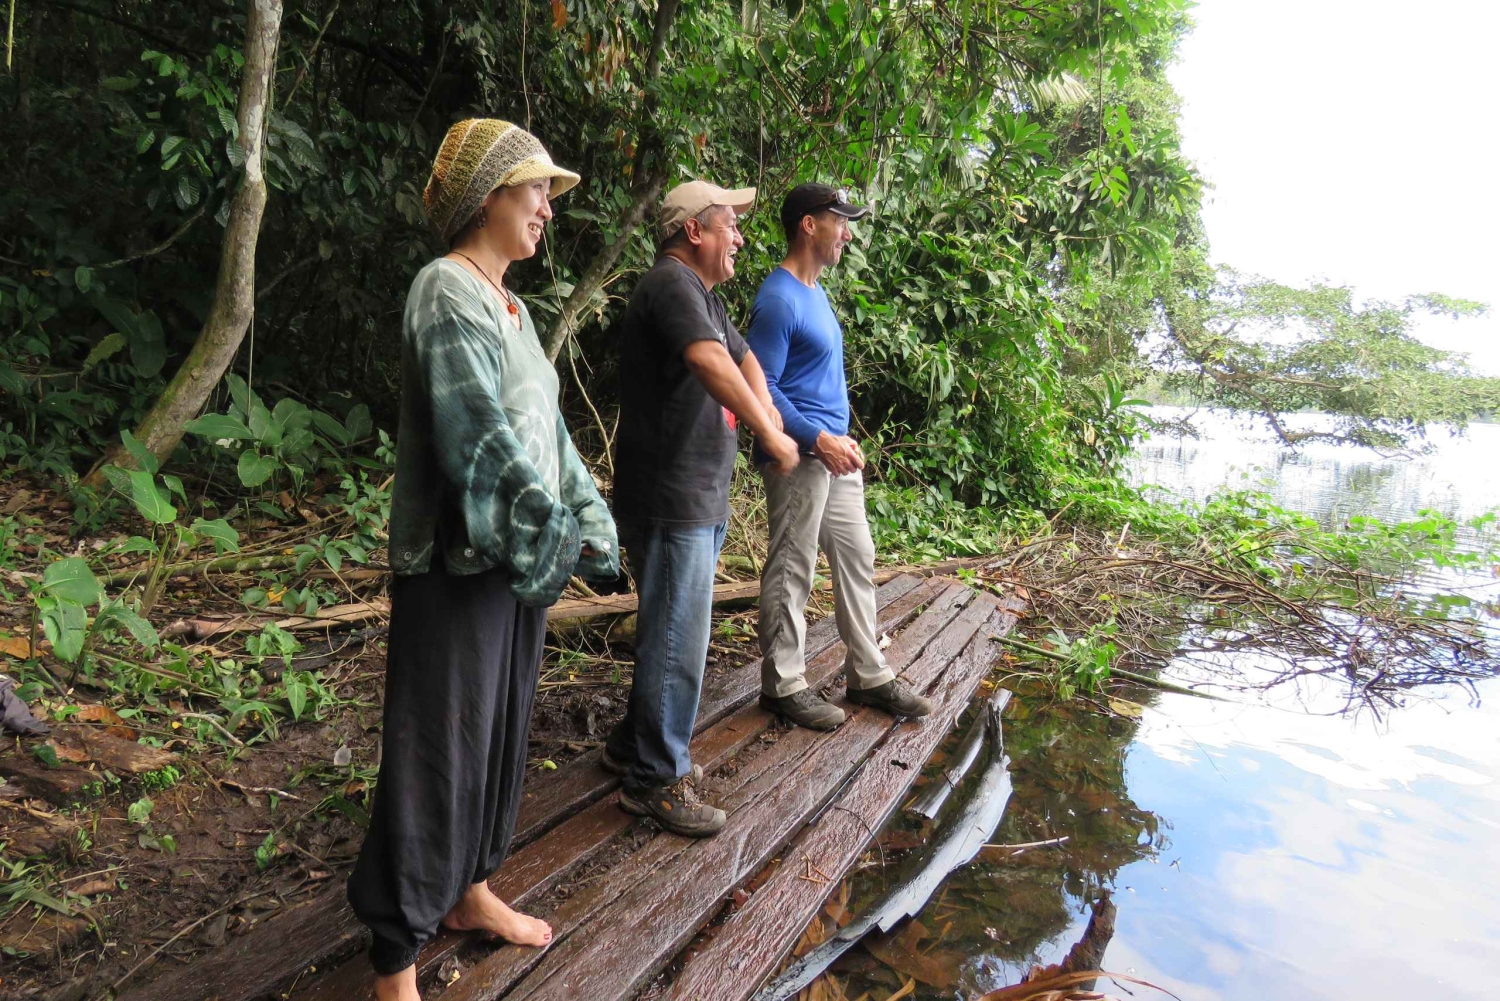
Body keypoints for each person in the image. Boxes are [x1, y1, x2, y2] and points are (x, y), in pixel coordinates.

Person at [347, 119, 620, 1001]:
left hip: (514, 560)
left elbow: (549, 435)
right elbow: (478, 436)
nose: (547, 207)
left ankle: (468, 889)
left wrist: (589, 515)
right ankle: (395, 961)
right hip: (457, 563)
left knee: (495, 736)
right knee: (436, 748)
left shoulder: (515, 307)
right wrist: (551, 529)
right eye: (535, 189)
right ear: (487, 197)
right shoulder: (445, 290)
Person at [607, 180, 800, 837]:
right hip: (671, 498)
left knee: (672, 629)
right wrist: (769, 432)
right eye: (730, 226)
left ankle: (632, 744)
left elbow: (744, 360)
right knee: (677, 640)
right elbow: (709, 361)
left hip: (697, 495)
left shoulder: (704, 297)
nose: (740, 238)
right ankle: (655, 779)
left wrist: (766, 411)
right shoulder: (670, 284)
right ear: (694, 231)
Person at [744, 183, 934, 731]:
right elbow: (762, 386)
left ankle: (868, 675)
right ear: (809, 225)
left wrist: (839, 440)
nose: (847, 234)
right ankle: (783, 685)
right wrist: (816, 439)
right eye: (840, 222)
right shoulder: (778, 299)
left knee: (857, 557)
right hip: (800, 456)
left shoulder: (816, 293)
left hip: (835, 456)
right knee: (793, 566)